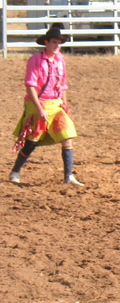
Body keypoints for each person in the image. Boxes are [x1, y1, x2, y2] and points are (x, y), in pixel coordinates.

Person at [9, 24, 84, 186]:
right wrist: (39, 108)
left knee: (67, 135)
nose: (57, 46)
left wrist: (64, 104)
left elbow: (63, 84)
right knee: (31, 141)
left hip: (55, 104)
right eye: (54, 42)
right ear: (47, 42)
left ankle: (68, 176)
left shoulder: (61, 60)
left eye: (59, 43)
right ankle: (15, 171)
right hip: (38, 103)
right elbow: (30, 86)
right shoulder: (35, 60)